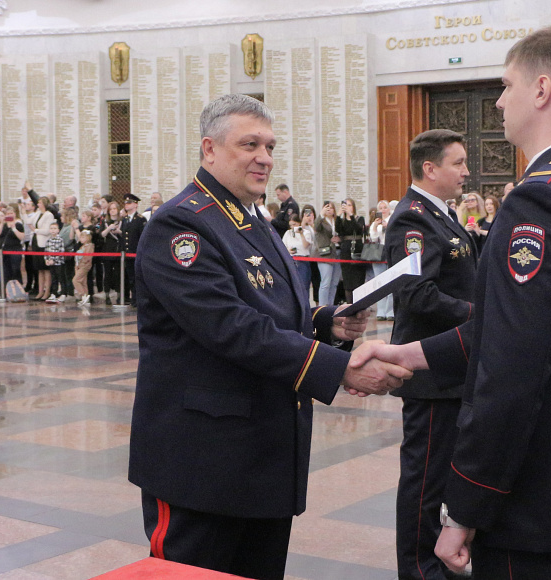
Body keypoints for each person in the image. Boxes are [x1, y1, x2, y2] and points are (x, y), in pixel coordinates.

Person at [353, 24, 551, 578]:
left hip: (531, 495)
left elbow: (513, 369)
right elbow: (528, 330)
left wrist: (465, 505)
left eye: (507, 85)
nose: (500, 101)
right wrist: (410, 354)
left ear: (542, 89)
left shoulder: (540, 200)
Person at [128, 94, 411, 580]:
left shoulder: (250, 217)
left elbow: (269, 305)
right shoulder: (182, 224)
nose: (265, 157)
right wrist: (338, 367)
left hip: (262, 459)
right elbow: (230, 326)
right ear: (209, 149)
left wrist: (324, 321)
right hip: (203, 465)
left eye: (270, 147)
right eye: (250, 145)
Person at [385, 129, 478, 580]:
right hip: (432, 376)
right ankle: (419, 569)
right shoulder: (412, 219)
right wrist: (479, 315)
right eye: (457, 163)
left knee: (444, 478)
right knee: (425, 482)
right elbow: (417, 294)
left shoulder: (441, 214)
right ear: (430, 168)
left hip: (453, 371)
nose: (466, 172)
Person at [336, 197, 366, 303]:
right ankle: (349, 304)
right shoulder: (342, 220)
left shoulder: (359, 218)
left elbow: (358, 228)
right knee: (348, 280)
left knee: (358, 279)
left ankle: (359, 303)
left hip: (357, 249)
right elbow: (338, 230)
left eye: (349, 205)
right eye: (345, 205)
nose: (347, 207)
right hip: (346, 250)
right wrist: (338, 215)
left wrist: (351, 216)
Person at [368, 199, 393, 321]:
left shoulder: (393, 220)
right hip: (378, 252)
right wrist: (375, 226)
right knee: (380, 283)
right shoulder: (375, 223)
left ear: (389, 209)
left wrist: (388, 226)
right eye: (381, 208)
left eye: (385, 207)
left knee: (391, 281)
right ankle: (381, 311)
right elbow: (373, 238)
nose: (383, 210)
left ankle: (390, 311)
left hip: (390, 251)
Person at [120, 193, 146, 305]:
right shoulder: (125, 219)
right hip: (127, 253)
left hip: (136, 253)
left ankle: (139, 298)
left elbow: (142, 237)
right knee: (130, 277)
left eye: (129, 203)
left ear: (135, 204)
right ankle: (133, 298)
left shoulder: (140, 219)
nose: (126, 205)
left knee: (138, 277)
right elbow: (124, 236)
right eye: (125, 203)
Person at [314, 201, 342, 306]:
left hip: (337, 252)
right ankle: (322, 306)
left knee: (334, 283)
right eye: (327, 207)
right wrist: (321, 214)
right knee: (325, 282)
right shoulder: (321, 221)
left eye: (331, 208)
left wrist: (340, 239)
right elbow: (316, 227)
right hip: (325, 253)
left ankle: (330, 306)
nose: (329, 209)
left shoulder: (337, 221)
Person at [281, 213, 312, 289]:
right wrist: (288, 250)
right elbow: (282, 246)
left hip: (303, 260)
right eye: (291, 225)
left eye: (294, 224)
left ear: (299, 223)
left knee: (304, 285)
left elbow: (306, 245)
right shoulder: (288, 233)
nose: (293, 227)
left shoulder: (306, 232)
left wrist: (301, 234)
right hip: (291, 259)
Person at [44, 222, 66, 303]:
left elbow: (61, 252)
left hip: (58, 263)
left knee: (60, 278)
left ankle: (63, 293)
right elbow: (46, 251)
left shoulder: (60, 240)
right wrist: (46, 259)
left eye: (55, 228)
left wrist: (54, 260)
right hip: (51, 263)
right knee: (53, 278)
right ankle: (54, 293)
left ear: (58, 230)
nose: (53, 230)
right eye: (51, 228)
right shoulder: (48, 240)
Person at [73, 229, 94, 306]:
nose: (81, 239)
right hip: (80, 265)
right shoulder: (82, 246)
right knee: (83, 282)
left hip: (84, 266)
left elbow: (87, 257)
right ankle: (85, 298)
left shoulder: (90, 246)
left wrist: (82, 262)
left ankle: (83, 294)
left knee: (75, 280)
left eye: (83, 237)